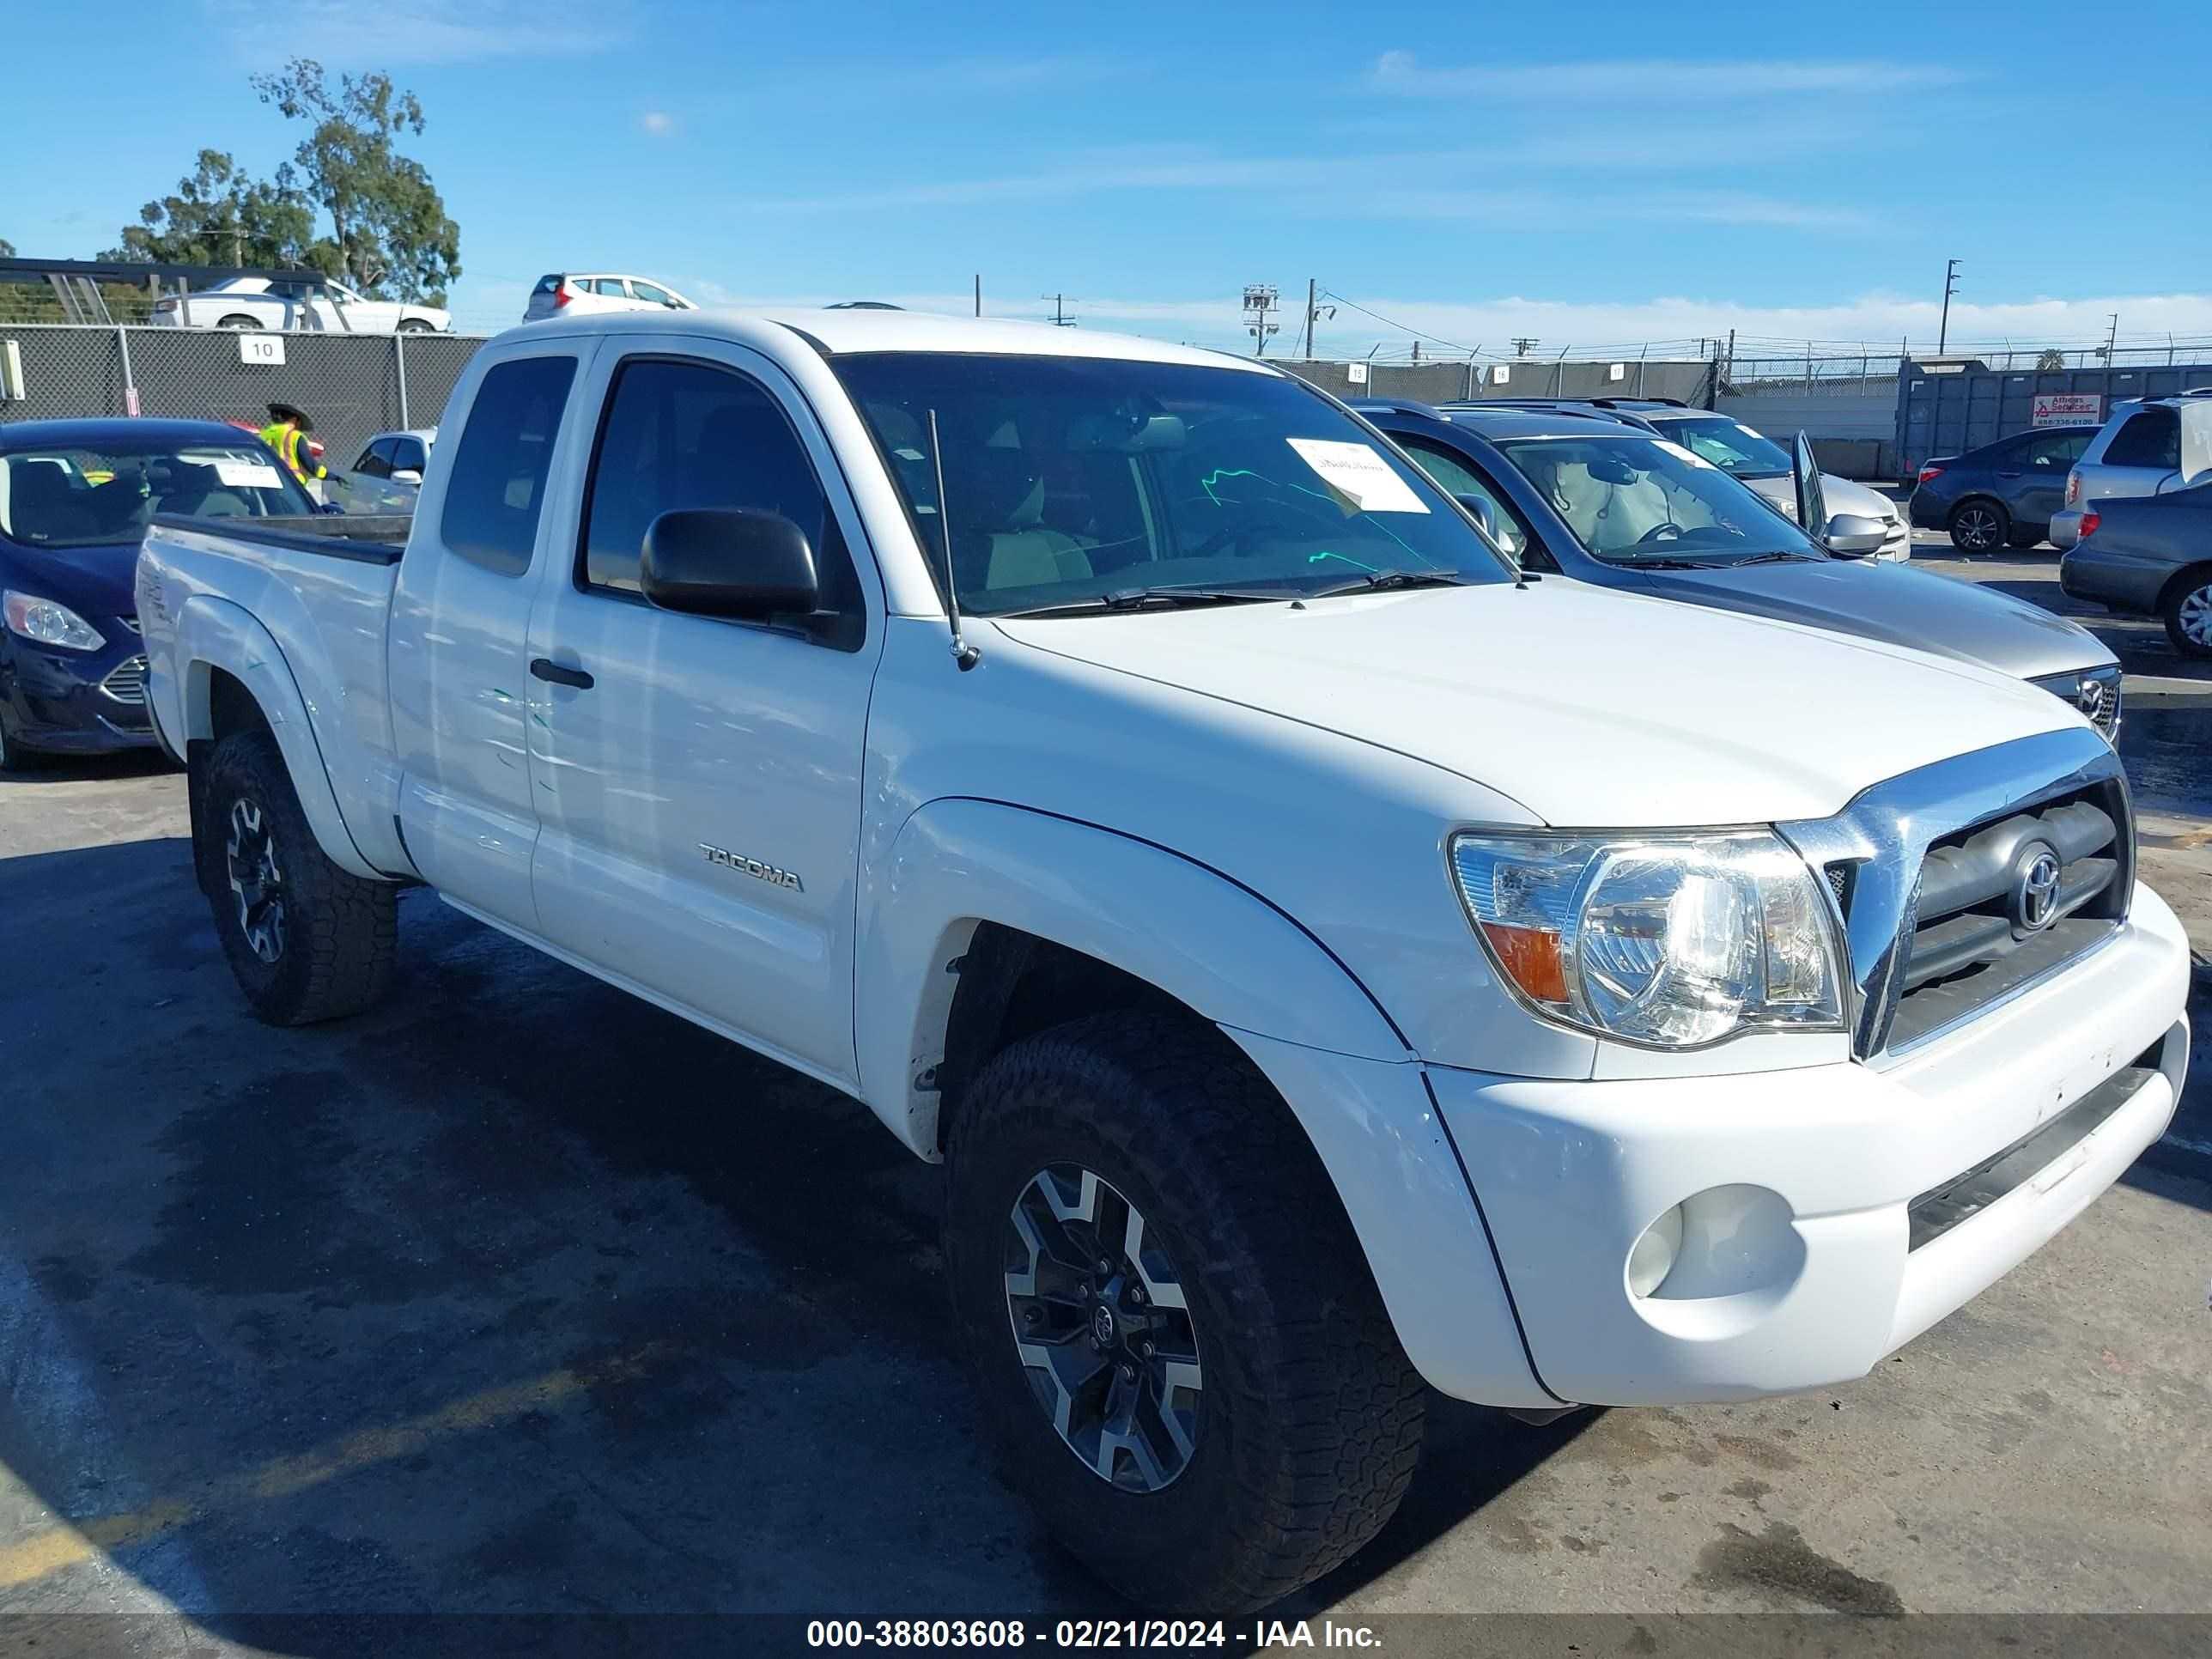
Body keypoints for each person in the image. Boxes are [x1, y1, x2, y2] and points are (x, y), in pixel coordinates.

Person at [258, 403, 326, 487]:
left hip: (267, 482)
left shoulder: (265, 433)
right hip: (293, 482)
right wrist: (327, 475)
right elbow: (309, 464)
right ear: (295, 419)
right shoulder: (294, 435)